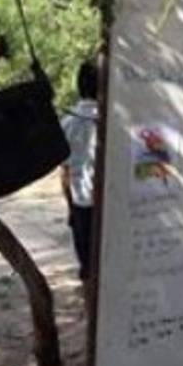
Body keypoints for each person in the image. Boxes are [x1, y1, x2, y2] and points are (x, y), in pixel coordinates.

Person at [60, 60, 99, 281]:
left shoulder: (67, 122)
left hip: (80, 202)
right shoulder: (114, 121)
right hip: (110, 204)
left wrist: (70, 209)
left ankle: (90, 311)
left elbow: (64, 173)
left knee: (87, 267)